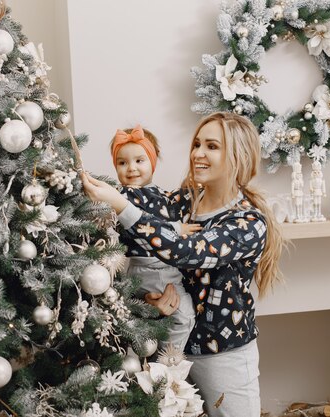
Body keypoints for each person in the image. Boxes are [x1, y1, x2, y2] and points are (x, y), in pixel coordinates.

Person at [82, 112, 283, 417]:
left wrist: (121, 205)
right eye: (197, 144)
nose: (198, 153)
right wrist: (151, 304)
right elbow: (148, 256)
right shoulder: (180, 203)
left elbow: (185, 251)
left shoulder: (247, 222)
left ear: (237, 156)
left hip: (221, 354)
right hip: (170, 349)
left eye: (212, 146)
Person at [110, 124, 200, 351]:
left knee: (176, 316)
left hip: (168, 268)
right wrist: (176, 229)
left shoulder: (161, 194)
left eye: (139, 160)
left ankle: (162, 360)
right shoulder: (123, 196)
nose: (131, 168)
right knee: (184, 315)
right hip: (148, 269)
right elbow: (140, 223)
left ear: (153, 160)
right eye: (122, 162)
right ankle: (169, 363)